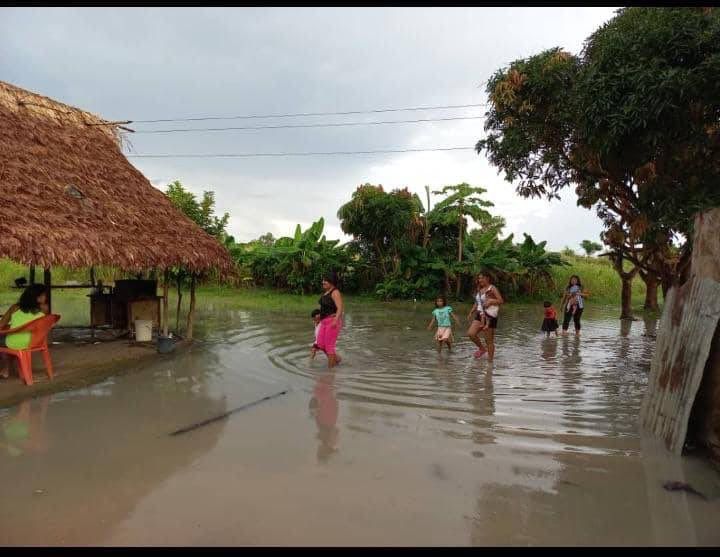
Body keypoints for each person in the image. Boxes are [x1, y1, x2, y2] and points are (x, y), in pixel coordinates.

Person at [0, 284, 49, 379]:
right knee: (13, 340)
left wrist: (11, 327)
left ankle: (5, 368)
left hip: (14, 342)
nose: (46, 297)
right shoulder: (44, 308)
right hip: (35, 342)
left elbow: (1, 325)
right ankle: (9, 368)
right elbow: (34, 323)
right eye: (44, 295)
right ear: (37, 297)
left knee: (6, 341)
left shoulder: (15, 308)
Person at [467, 272, 504, 360]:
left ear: (487, 278)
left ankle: (490, 363)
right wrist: (471, 312)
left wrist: (491, 301)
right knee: (471, 334)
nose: (480, 280)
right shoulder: (480, 289)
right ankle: (482, 349)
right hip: (480, 314)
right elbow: (477, 302)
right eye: (479, 278)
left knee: (488, 340)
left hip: (490, 315)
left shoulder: (492, 288)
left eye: (482, 278)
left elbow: (501, 301)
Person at [315, 273, 344, 368]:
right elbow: (324, 308)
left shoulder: (335, 292)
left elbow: (340, 308)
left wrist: (336, 320)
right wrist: (319, 316)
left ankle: (330, 372)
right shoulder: (326, 292)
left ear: (332, 282)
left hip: (332, 321)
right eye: (323, 280)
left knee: (329, 347)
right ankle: (337, 359)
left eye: (325, 280)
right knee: (320, 344)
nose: (323, 282)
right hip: (323, 322)